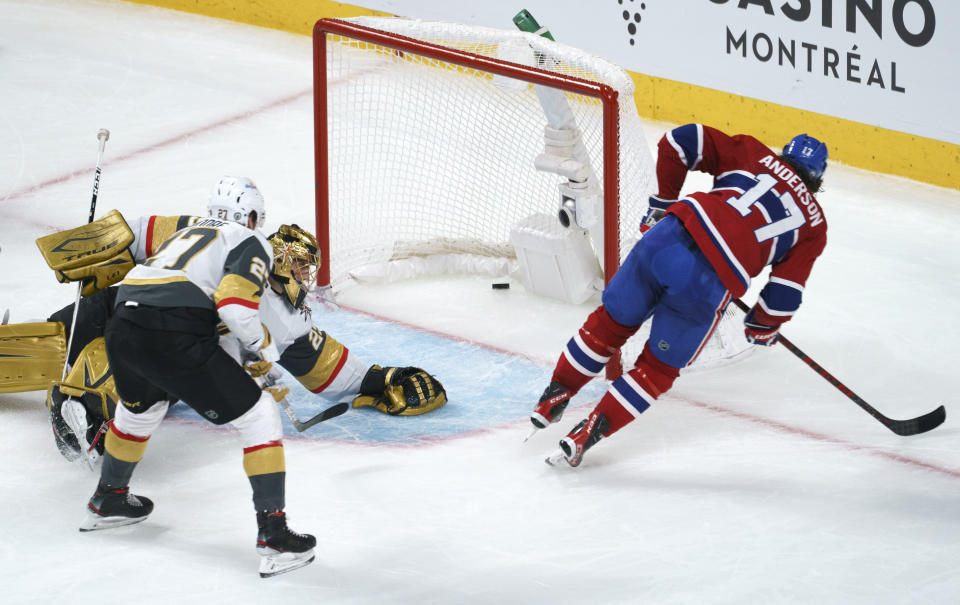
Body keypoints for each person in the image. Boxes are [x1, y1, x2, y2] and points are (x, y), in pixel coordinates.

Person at [528, 124, 829, 467]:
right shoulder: (814, 225)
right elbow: (785, 294)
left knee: (609, 323)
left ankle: (553, 397)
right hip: (705, 283)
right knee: (658, 368)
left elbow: (678, 141)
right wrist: (763, 324)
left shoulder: (752, 152)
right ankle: (588, 433)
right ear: (817, 183)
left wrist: (661, 205)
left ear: (783, 155)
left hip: (668, 237)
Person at [83, 175, 318, 578]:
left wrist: (245, 350)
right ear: (253, 215)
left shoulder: (190, 230)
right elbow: (233, 307)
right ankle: (274, 536)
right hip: (171, 329)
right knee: (260, 415)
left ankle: (109, 499)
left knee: (140, 411)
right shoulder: (250, 239)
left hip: (123, 324)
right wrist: (264, 352)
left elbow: (214, 304)